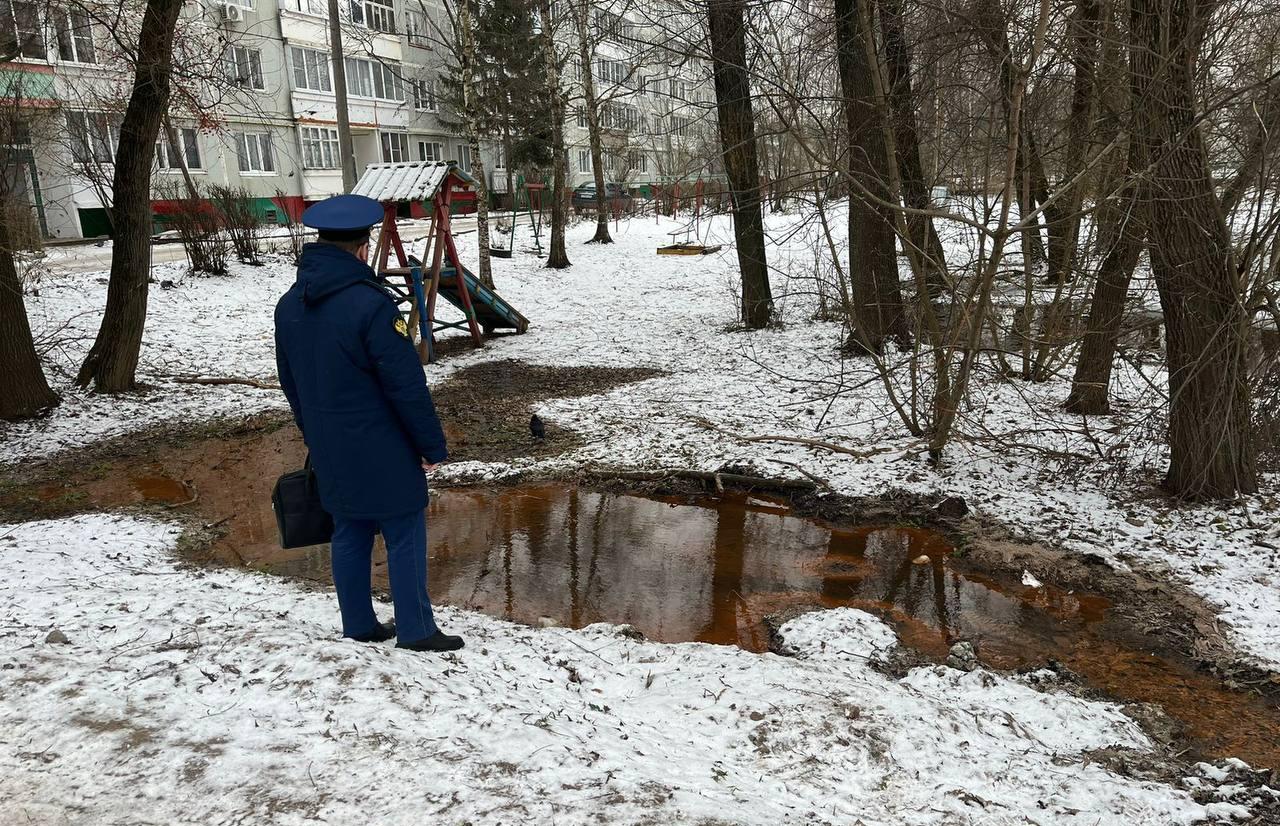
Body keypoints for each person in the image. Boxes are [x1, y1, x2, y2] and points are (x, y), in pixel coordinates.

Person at [273, 193, 463, 653]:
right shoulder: (372, 305)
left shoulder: (289, 305)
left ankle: (358, 624)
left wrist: (313, 433)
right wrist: (430, 446)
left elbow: (290, 382)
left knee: (349, 528)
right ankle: (416, 630)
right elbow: (405, 385)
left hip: (329, 443)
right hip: (383, 443)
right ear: (362, 248)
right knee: (404, 529)